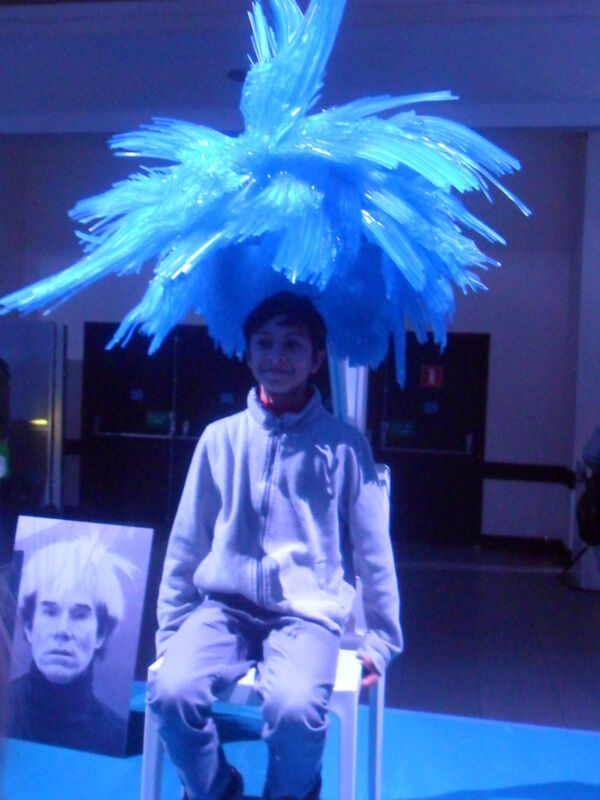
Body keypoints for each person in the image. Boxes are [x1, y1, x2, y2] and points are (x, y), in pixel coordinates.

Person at [149, 291, 403, 800]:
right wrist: (171, 630)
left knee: (294, 710)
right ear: (247, 354)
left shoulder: (344, 445)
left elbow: (374, 552)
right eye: (264, 343)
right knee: (171, 693)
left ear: (317, 360)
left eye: (292, 345)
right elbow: (187, 542)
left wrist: (381, 641)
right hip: (222, 608)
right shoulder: (220, 439)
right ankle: (217, 790)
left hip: (306, 616)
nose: (276, 356)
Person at [9, 537, 131, 755]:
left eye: (80, 615)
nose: (63, 630)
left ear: (101, 634)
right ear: (29, 626)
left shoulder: (116, 737)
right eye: (50, 612)